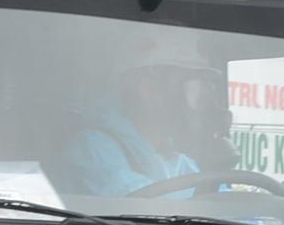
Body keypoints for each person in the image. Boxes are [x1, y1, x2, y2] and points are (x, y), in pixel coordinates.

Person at [62, 54, 202, 197]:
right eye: (191, 88)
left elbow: (209, 195)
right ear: (149, 90)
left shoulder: (173, 157)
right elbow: (147, 208)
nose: (198, 102)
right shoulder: (93, 148)